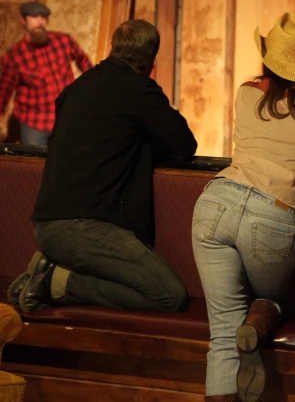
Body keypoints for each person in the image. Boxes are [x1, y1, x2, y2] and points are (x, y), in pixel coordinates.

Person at [192, 12, 295, 402]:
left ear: (267, 57)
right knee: (279, 297)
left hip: (216, 201)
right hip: (274, 215)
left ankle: (246, 332)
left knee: (221, 333)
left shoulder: (246, 91)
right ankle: (258, 322)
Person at [7, 19, 198, 315]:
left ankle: (53, 273)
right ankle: (55, 283)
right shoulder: (138, 90)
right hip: (84, 227)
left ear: (114, 47)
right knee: (168, 296)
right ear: (151, 58)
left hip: (49, 224)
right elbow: (185, 144)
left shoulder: (77, 88)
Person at [0, 1, 93, 145]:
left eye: (43, 17)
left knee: (66, 163)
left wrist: (92, 87)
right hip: (34, 124)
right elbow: (3, 91)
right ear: (23, 20)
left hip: (65, 119)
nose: (39, 21)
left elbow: (84, 61)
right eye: (34, 17)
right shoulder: (15, 56)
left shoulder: (62, 41)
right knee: (35, 164)